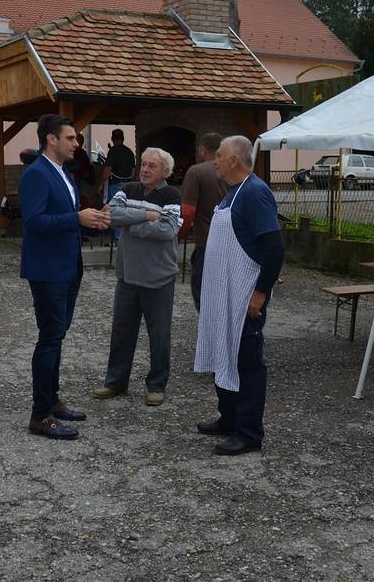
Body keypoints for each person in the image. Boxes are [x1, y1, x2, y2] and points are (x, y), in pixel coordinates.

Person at [19, 114, 110, 440]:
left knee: (57, 335)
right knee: (50, 338)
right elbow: (33, 222)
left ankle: (52, 399)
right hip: (48, 270)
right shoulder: (36, 174)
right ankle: (40, 415)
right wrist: (77, 218)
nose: (76, 144)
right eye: (70, 138)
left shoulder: (63, 173)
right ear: (51, 139)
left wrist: (92, 221)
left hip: (68, 267)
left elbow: (68, 218)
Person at [193, 135, 285, 456]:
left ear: (234, 160)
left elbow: (274, 247)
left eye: (219, 155)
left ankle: (248, 433)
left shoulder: (255, 192)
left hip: (244, 297)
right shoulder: (233, 193)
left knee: (246, 363)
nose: (214, 160)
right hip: (223, 297)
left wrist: (260, 293)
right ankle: (229, 418)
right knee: (223, 354)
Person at [94, 147, 182, 407]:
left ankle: (156, 385)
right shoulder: (128, 189)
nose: (144, 169)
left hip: (159, 278)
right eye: (143, 164)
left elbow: (167, 230)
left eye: (152, 166)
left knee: (159, 336)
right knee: (121, 333)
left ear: (164, 171)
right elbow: (111, 216)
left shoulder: (171, 194)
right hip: (127, 276)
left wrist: (129, 225)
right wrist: (147, 215)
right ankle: (115, 382)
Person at [178, 132, 228, 313]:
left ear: (202, 150)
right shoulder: (232, 170)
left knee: (202, 292)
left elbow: (188, 211)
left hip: (207, 243)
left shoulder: (196, 171)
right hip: (231, 242)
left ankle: (210, 327)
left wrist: (179, 236)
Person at [102, 128, 135, 243]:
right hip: (128, 184)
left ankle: (117, 239)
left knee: (115, 211)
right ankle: (124, 238)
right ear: (123, 138)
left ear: (112, 138)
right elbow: (133, 171)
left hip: (115, 184)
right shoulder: (129, 152)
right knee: (125, 211)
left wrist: (100, 184)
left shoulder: (113, 151)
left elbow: (107, 170)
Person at [67, 132, 96, 208]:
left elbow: (86, 167)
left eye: (80, 142)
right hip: (75, 181)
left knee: (82, 200)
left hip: (81, 181)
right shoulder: (72, 153)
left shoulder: (82, 153)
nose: (78, 144)